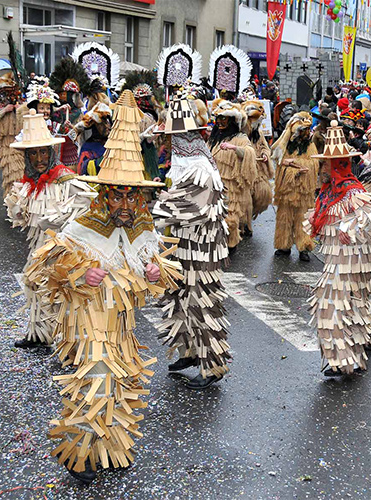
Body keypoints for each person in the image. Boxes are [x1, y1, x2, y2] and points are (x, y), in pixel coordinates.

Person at [23, 90, 179, 484]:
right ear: (105, 193)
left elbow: (152, 262)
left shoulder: (142, 226)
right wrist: (80, 273)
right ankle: (80, 454)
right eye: (119, 195)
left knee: (125, 378)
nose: (126, 205)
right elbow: (45, 266)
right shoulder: (83, 226)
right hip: (88, 317)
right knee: (96, 377)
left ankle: (112, 448)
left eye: (134, 196)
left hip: (122, 322)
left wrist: (158, 272)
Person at [151, 95, 231, 390]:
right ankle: (190, 353)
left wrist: (160, 206)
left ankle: (213, 366)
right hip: (181, 247)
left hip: (200, 250)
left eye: (172, 137)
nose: (168, 144)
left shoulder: (201, 169)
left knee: (201, 303)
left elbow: (193, 208)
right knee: (179, 299)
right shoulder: (186, 166)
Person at [305, 121, 371, 376]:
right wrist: (316, 221)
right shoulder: (328, 192)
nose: (321, 168)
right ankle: (348, 359)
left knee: (329, 308)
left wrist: (352, 226)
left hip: (349, 262)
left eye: (324, 163)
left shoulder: (351, 190)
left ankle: (344, 360)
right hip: (336, 260)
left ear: (335, 166)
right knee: (349, 309)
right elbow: (326, 217)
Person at [5, 109, 96, 349]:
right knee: (33, 283)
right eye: (33, 153)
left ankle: (71, 344)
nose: (38, 159)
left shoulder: (66, 180)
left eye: (43, 152)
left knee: (63, 292)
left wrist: (61, 221)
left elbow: (89, 205)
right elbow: (26, 217)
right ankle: (38, 334)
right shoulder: (30, 182)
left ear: (51, 152)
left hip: (62, 248)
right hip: (39, 247)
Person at [208, 99, 257, 253]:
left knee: (231, 218)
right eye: (219, 119)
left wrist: (234, 147)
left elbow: (250, 153)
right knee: (214, 216)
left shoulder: (240, 138)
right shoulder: (214, 139)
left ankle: (231, 243)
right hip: (215, 183)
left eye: (224, 118)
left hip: (231, 186)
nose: (221, 122)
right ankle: (217, 243)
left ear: (231, 121)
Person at [271, 112, 320, 262]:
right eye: (302, 130)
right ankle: (283, 245)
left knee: (303, 219)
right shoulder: (286, 147)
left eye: (307, 130)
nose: (306, 133)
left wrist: (296, 165)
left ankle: (303, 247)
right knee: (284, 217)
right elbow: (280, 162)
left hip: (303, 191)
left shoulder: (310, 146)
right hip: (287, 190)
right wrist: (291, 168)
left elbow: (314, 163)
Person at [243, 99, 274, 235]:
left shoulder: (259, 133)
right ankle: (245, 225)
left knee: (263, 196)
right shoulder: (240, 133)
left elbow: (264, 147)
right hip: (243, 171)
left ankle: (249, 219)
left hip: (258, 170)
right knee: (245, 199)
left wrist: (265, 154)